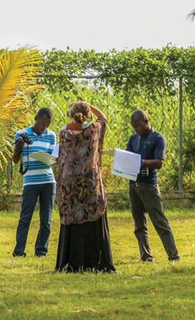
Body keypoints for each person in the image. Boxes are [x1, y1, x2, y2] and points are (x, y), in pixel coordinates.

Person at [55, 101, 115, 272]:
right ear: (87, 116)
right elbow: (103, 117)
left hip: (69, 186)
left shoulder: (64, 134)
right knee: (92, 215)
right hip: (89, 184)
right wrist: (89, 105)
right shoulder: (92, 132)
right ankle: (95, 261)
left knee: (73, 217)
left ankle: (70, 261)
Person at [126, 110, 180, 263]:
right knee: (139, 224)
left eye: (137, 126)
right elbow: (129, 157)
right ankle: (145, 255)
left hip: (148, 185)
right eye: (133, 127)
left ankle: (173, 255)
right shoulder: (133, 139)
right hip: (133, 184)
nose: (136, 129)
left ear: (146, 121)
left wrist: (142, 162)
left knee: (159, 221)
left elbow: (158, 162)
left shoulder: (158, 139)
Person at [11, 108, 57, 258]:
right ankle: (19, 251)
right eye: (42, 123)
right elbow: (15, 159)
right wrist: (19, 145)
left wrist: (51, 159)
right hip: (30, 181)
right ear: (36, 118)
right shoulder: (21, 133)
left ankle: (41, 251)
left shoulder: (51, 136)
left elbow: (53, 157)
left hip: (48, 180)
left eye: (47, 125)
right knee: (26, 217)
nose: (44, 127)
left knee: (46, 218)